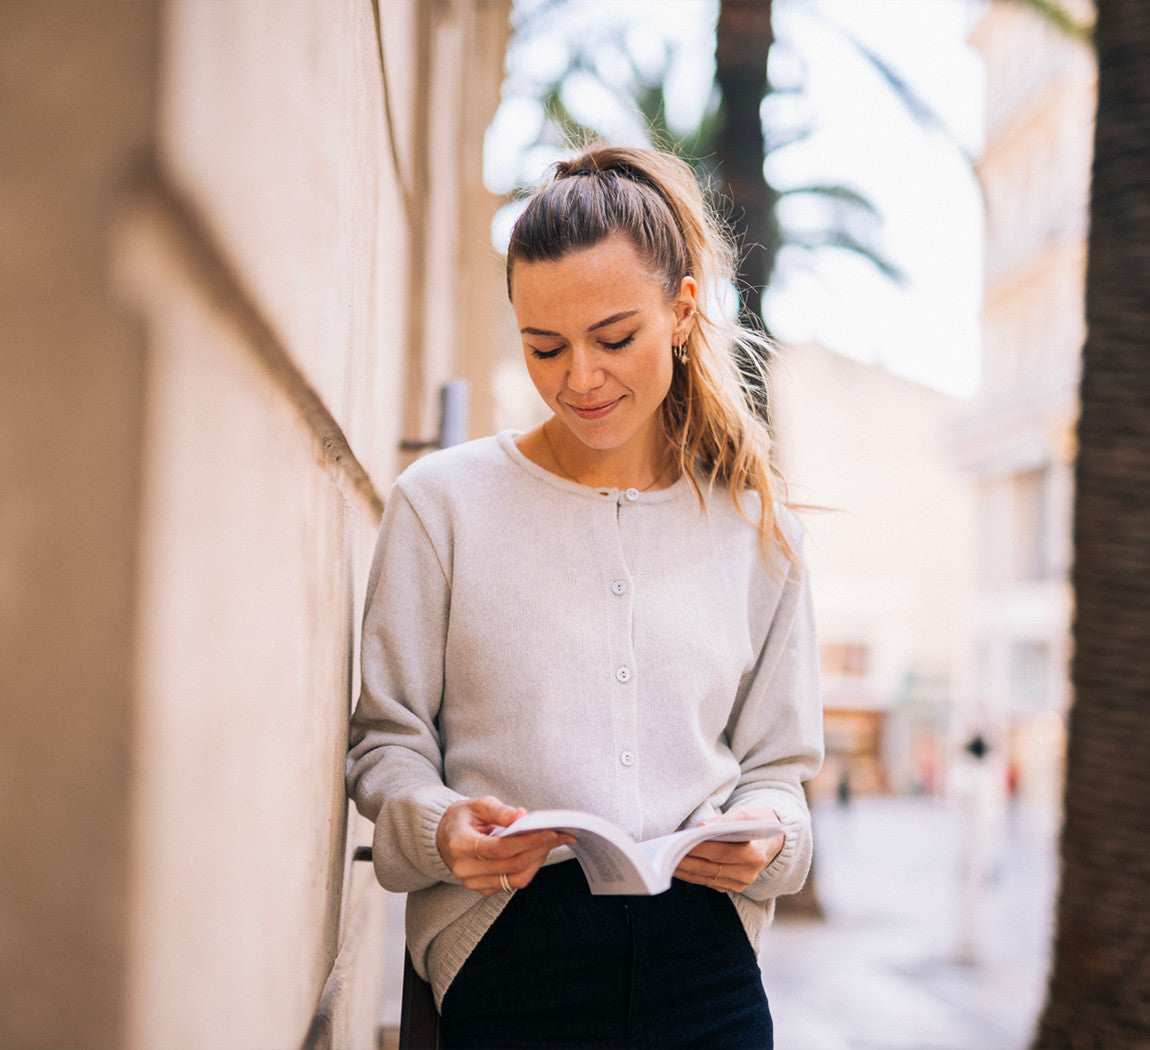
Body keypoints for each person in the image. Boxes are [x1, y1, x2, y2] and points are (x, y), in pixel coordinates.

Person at [346, 144, 824, 1050]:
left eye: (613, 338)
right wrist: (443, 827)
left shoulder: (760, 533)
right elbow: (385, 745)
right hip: (504, 945)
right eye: (543, 346)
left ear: (681, 313)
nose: (579, 379)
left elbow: (780, 772)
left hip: (708, 960)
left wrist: (769, 838)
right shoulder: (441, 504)